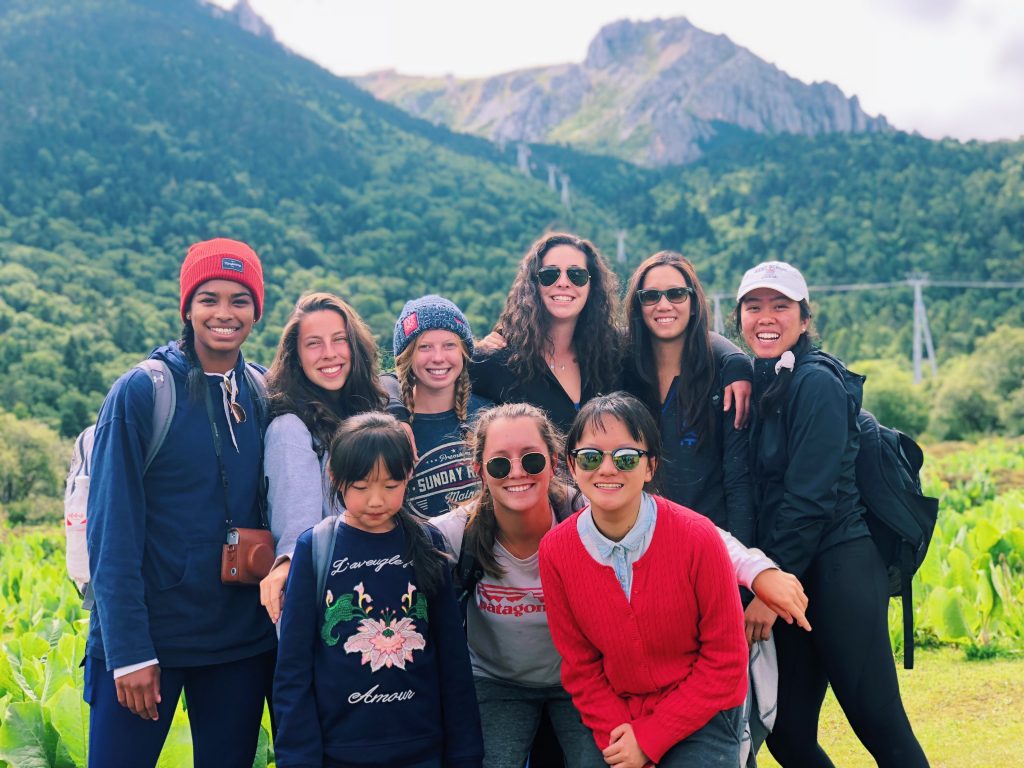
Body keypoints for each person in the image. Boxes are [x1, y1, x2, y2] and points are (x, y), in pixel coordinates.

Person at [434, 402, 809, 768]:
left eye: (531, 460)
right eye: (500, 464)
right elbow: (399, 539)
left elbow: (696, 535)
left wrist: (761, 571)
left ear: (553, 464)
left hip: (632, 695)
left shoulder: (598, 501)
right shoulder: (485, 536)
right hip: (519, 683)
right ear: (480, 471)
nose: (517, 473)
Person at [84, 238, 277, 768]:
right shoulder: (142, 392)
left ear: (256, 311)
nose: (224, 313)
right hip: (150, 644)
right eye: (209, 298)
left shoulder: (261, 390)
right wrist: (128, 653)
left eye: (240, 300)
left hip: (238, 644)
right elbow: (110, 530)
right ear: (187, 307)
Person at [736, 261, 929, 767]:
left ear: (803, 319)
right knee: (788, 734)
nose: (766, 317)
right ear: (739, 318)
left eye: (780, 306)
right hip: (797, 574)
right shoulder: (769, 379)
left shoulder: (816, 383)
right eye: (753, 306)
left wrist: (768, 586)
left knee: (881, 727)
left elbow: (810, 498)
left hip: (840, 570)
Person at [540, 393, 770, 768]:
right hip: (614, 714)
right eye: (591, 457)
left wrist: (650, 739)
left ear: (650, 467)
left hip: (701, 712)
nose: (607, 470)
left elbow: (725, 662)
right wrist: (624, 737)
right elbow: (581, 666)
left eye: (627, 458)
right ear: (572, 465)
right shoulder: (556, 552)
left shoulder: (698, 538)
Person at [273, 412, 484, 768]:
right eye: (361, 487)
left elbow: (453, 660)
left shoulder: (428, 542)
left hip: (422, 749)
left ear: (408, 476)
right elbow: (293, 669)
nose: (376, 501)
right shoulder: (317, 547)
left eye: (390, 485)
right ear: (335, 478)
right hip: (339, 752)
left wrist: (464, 754)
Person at [259, 292, 399, 624]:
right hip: (334, 605)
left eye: (339, 340)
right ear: (296, 356)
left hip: (379, 591)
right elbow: (298, 538)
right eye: (314, 344)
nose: (330, 353)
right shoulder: (290, 428)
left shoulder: (365, 412)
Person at [623, 250, 755, 546]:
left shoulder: (720, 379)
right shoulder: (622, 374)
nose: (664, 304)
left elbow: (738, 479)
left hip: (709, 544)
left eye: (676, 294)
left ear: (694, 303)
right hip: (638, 546)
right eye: (651, 296)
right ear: (638, 307)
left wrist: (743, 565)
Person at [469, 232, 622, 434]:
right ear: (533, 283)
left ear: (591, 285)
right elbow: (437, 389)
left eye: (577, 275)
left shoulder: (614, 356)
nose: (564, 282)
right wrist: (410, 420)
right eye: (550, 275)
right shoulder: (497, 361)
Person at [384, 295, 491, 517]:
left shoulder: (489, 417)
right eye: (424, 347)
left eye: (449, 345)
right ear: (407, 356)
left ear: (463, 351)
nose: (438, 357)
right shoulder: (392, 425)